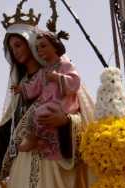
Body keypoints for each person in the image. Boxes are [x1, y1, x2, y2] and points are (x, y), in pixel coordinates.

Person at [0, 23, 94, 188]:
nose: (15, 52)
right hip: (23, 162)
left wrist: (65, 121)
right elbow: (12, 125)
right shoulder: (23, 85)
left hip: (54, 160)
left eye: (18, 45)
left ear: (31, 43)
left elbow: (84, 116)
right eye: (11, 48)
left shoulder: (59, 73)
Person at [11, 31, 80, 160]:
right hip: (46, 103)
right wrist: (22, 88)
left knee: (41, 113)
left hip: (60, 104)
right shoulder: (43, 71)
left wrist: (56, 77)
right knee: (33, 116)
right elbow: (34, 86)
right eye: (37, 48)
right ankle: (39, 140)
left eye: (43, 46)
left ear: (55, 46)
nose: (39, 50)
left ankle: (36, 139)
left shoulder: (65, 65)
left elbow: (74, 83)